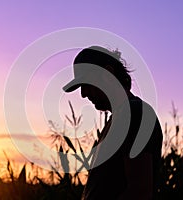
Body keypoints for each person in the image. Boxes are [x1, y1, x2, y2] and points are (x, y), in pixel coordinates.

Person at [63, 46, 163, 200]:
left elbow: (139, 192)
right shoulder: (120, 118)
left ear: (108, 74)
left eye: (86, 84)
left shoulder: (135, 113)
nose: (83, 94)